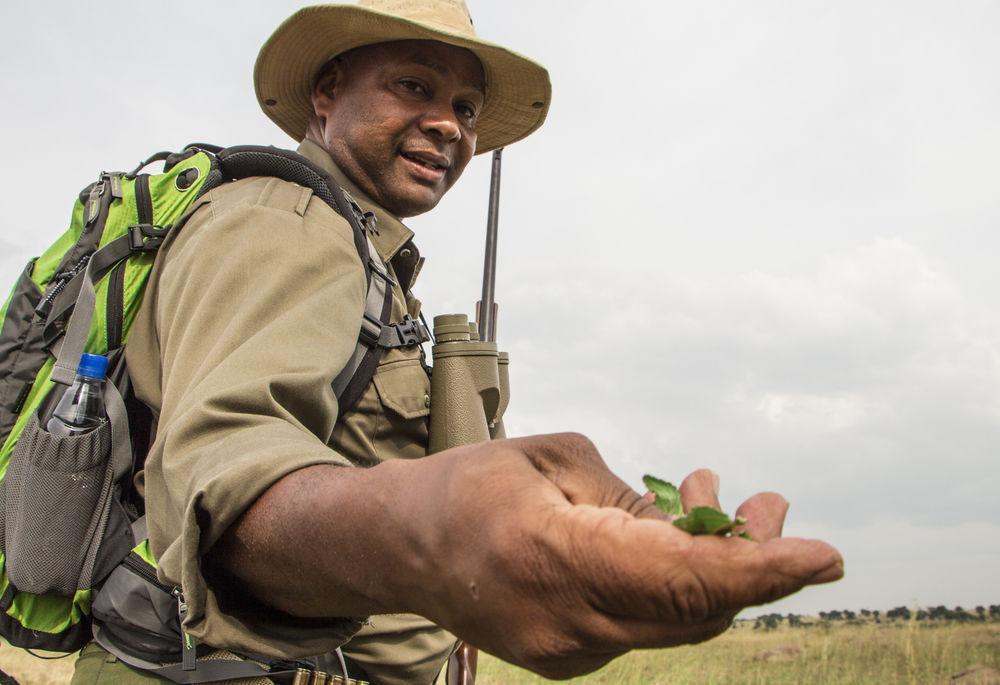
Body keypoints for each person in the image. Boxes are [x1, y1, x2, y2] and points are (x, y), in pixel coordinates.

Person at [71, 1, 844, 683]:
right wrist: (440, 545)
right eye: (414, 85)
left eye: (467, 108)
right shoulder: (288, 222)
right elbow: (225, 475)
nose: (450, 124)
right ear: (327, 91)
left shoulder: (362, 254)